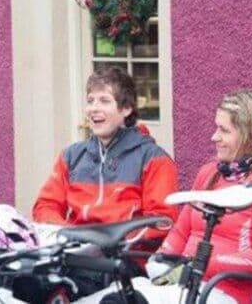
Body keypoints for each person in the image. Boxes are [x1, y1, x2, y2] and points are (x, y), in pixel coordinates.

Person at [81, 88, 252, 304]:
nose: (214, 137)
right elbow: (182, 230)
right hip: (180, 284)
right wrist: (162, 259)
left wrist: (202, 263)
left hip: (221, 292)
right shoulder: (211, 171)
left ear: (251, 135)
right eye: (216, 127)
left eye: (224, 130)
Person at [32, 66, 178, 238]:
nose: (93, 108)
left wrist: (110, 241)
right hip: (74, 251)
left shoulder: (154, 159)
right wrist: (69, 235)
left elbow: (162, 222)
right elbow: (45, 206)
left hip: (124, 257)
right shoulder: (70, 156)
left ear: (126, 109)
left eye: (104, 101)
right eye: (90, 100)